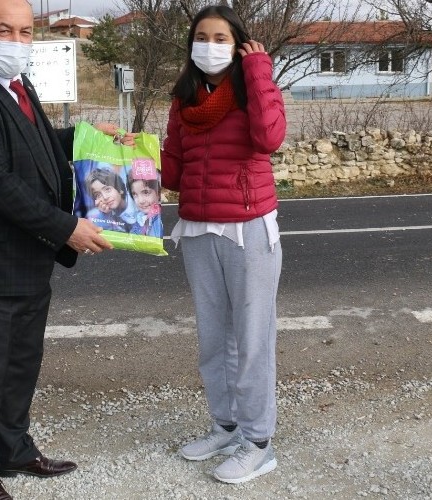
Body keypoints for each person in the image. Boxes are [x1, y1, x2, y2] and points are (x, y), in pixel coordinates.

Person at [0, 1, 132, 498]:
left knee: (20, 364)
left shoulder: (18, 86)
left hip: (26, 260)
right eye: (5, 30)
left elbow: (33, 145)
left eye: (25, 31)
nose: (17, 41)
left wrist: (82, 136)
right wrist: (68, 227)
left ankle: (14, 450)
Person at [161, 5, 286, 484]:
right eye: (201, 36)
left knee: (252, 340)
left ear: (237, 45)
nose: (209, 45)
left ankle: (258, 442)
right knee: (215, 340)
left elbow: (270, 137)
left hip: (249, 228)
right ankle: (227, 426)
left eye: (220, 38)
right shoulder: (184, 98)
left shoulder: (254, 87)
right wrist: (134, 152)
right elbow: (172, 171)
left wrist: (258, 71)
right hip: (196, 228)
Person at [85, 167, 130, 233]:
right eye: (98, 195)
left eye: (107, 189)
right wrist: (105, 215)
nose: (105, 197)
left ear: (120, 189)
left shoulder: (138, 207)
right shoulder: (97, 216)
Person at [127, 171, 163, 238]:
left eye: (146, 192)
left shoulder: (160, 219)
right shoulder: (140, 217)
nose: (140, 201)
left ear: (158, 193)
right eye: (135, 194)